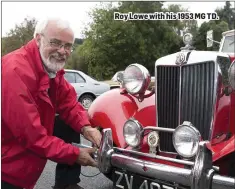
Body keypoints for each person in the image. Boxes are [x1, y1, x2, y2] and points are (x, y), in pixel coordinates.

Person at [1, 18, 102, 189]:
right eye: (55, 43)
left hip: (27, 136)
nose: (62, 51)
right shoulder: (15, 71)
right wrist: (75, 154)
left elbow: (69, 104)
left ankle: (67, 184)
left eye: (68, 46)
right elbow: (32, 137)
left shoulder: (52, 69)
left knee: (68, 124)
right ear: (38, 39)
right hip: (6, 164)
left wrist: (86, 128)